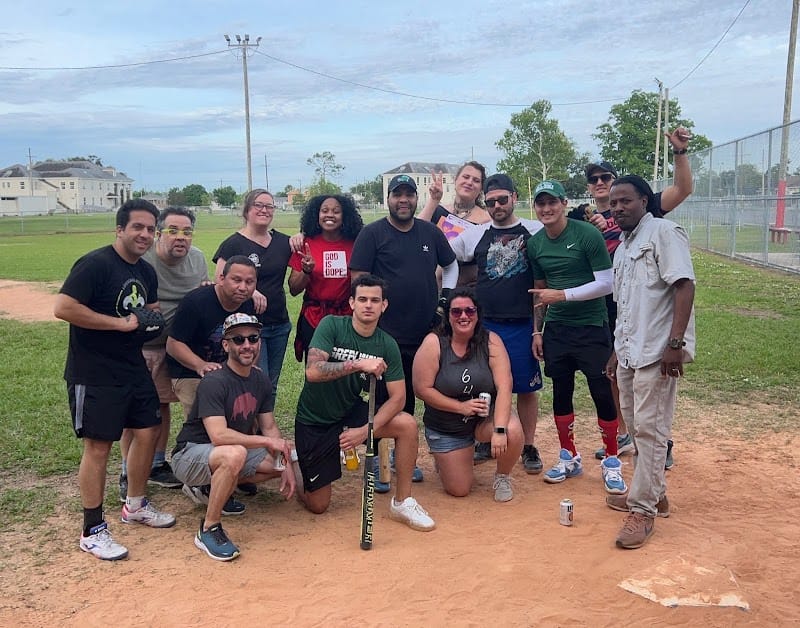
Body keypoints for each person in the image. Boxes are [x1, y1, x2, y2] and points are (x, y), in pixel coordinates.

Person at [54, 199, 176, 561]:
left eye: (151, 229)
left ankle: (135, 505)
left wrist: (150, 319)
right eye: (137, 227)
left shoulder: (145, 271)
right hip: (94, 371)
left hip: (132, 366)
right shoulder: (95, 264)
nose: (144, 234)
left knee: (147, 431)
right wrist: (119, 323)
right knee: (99, 447)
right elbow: (63, 307)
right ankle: (92, 530)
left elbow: (149, 309)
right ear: (119, 229)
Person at [578, 127, 692, 466]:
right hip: (612, 305)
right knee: (617, 375)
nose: (600, 183)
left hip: (648, 307)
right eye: (594, 179)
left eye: (605, 177)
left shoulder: (644, 211)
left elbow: (683, 189)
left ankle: (659, 444)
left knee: (650, 385)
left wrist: (679, 153)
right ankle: (628, 433)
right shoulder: (582, 216)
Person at [294, 275, 435, 531]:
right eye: (362, 299)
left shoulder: (387, 344)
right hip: (315, 420)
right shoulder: (332, 326)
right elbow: (312, 372)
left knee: (406, 424)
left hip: (351, 415)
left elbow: (399, 397)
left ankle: (403, 501)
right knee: (318, 504)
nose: (368, 305)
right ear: (351, 303)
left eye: (374, 300)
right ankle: (296, 464)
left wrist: (365, 431)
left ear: (384, 305)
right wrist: (358, 364)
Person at [603, 175, 696, 549]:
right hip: (629, 351)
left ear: (645, 200)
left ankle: (642, 510)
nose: (619, 208)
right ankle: (653, 492)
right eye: (614, 203)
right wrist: (614, 350)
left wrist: (676, 343)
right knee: (638, 427)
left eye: (626, 200)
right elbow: (626, 305)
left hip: (657, 353)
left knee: (651, 430)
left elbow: (684, 285)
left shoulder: (663, 232)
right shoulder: (623, 248)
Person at [350, 174, 458, 488]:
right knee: (382, 400)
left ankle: (402, 458)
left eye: (409, 195)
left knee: (412, 396)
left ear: (416, 198)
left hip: (425, 332)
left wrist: (445, 298)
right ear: (389, 199)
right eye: (397, 195)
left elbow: (450, 265)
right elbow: (359, 279)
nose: (403, 200)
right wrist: (368, 321)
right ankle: (376, 461)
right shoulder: (372, 234)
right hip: (384, 334)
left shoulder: (429, 232)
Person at [526, 180, 626, 495]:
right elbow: (540, 294)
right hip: (557, 330)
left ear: (564, 203)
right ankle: (569, 456)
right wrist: (537, 330)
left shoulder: (587, 235)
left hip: (591, 326)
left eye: (552, 202)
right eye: (541, 204)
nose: (546, 209)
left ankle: (612, 461)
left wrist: (564, 295)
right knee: (561, 392)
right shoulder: (536, 244)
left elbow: (606, 283)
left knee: (601, 392)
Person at [171, 313, 296, 561]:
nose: (247, 345)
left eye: (253, 338)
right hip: (190, 454)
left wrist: (286, 462)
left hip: (224, 453)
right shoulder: (215, 381)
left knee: (281, 460)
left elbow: (269, 426)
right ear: (226, 345)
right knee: (234, 453)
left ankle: (215, 489)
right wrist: (266, 442)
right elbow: (218, 436)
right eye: (238, 339)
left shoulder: (260, 378)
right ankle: (208, 528)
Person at [449, 173, 544, 475]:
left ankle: (527, 444)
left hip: (521, 323)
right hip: (485, 325)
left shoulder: (534, 230)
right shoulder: (476, 233)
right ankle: (484, 438)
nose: (497, 206)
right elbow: (443, 254)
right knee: (482, 386)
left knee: (525, 389)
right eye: (491, 202)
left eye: (503, 199)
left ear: (515, 197)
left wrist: (538, 329)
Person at [118, 206, 209, 501]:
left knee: (164, 405)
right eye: (173, 231)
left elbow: (201, 295)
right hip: (143, 347)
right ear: (159, 234)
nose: (180, 237)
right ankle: (125, 472)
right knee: (138, 412)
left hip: (179, 346)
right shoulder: (143, 261)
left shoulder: (197, 259)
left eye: (187, 232)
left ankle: (156, 464)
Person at [166, 255, 258, 514]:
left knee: (242, 411)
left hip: (227, 371)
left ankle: (235, 472)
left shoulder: (247, 304)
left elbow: (247, 340)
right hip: (190, 372)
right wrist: (199, 365)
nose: (243, 287)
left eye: (249, 282)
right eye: (236, 280)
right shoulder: (197, 302)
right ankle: (200, 483)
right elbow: (173, 344)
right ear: (221, 277)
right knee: (207, 425)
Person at [413, 289, 524, 502]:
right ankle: (446, 457)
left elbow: (504, 386)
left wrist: (499, 430)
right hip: (447, 426)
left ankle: (502, 476)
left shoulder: (491, 341)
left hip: (483, 421)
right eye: (456, 312)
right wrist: (460, 407)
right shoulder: (434, 343)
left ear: (478, 314)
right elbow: (422, 389)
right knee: (459, 489)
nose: (463, 316)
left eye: (469, 311)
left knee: (512, 430)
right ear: (447, 316)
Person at [213, 189, 292, 406]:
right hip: (248, 327)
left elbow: (302, 253)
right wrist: (250, 289)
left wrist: (300, 238)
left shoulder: (283, 242)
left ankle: (265, 431)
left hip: (279, 324)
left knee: (271, 384)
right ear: (247, 209)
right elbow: (219, 280)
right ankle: (251, 433)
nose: (264, 210)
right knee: (256, 380)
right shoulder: (233, 244)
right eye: (259, 205)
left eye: (269, 206)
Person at [287, 194, 364, 362]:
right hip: (314, 317)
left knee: (345, 372)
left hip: (347, 317)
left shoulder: (356, 242)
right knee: (316, 372)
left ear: (345, 216)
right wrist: (306, 271)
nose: (330, 215)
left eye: (336, 211)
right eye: (324, 211)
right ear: (317, 215)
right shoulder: (305, 243)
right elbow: (293, 289)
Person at [419, 161, 491, 287]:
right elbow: (415, 230)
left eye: (476, 180)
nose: (469, 182)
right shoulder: (438, 211)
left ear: (481, 188)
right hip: (432, 288)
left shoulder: (487, 220)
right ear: (455, 180)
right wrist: (434, 200)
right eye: (466, 177)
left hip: (465, 294)